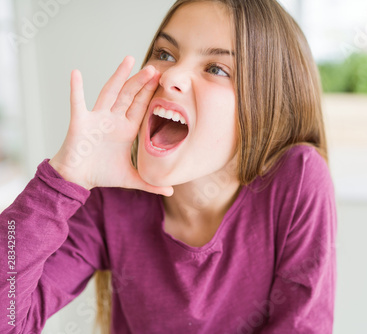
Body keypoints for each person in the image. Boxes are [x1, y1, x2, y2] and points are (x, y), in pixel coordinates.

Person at [0, 0, 337, 333]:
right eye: (165, 54)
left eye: (216, 69)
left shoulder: (296, 179)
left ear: (269, 109)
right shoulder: (110, 197)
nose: (171, 75)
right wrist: (62, 180)